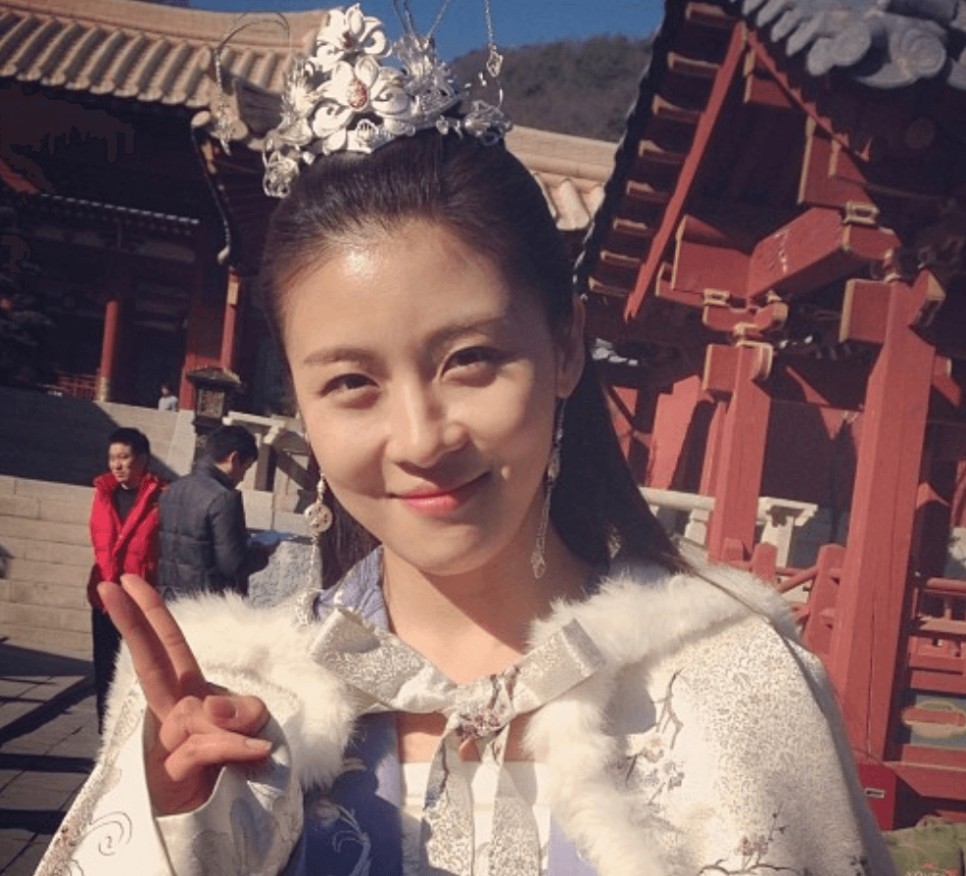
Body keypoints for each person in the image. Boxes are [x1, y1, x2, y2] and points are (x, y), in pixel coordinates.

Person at [36, 9, 896, 876]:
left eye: (471, 360)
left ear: (566, 348)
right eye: (351, 382)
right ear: (299, 401)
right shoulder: (228, 694)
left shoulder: (729, 681)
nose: (421, 437)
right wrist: (177, 825)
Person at [85, 426, 163, 732]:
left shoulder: (161, 497)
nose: (116, 465)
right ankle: (105, 733)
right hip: (104, 597)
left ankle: (133, 734)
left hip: (139, 599)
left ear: (143, 458)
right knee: (104, 670)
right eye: (112, 458)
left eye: (124, 457)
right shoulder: (103, 493)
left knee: (138, 670)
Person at [157, 424, 265, 599]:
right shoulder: (223, 498)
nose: (242, 477)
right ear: (234, 458)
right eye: (245, 468)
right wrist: (263, 553)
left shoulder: (172, 489)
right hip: (205, 604)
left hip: (168, 598)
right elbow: (233, 566)